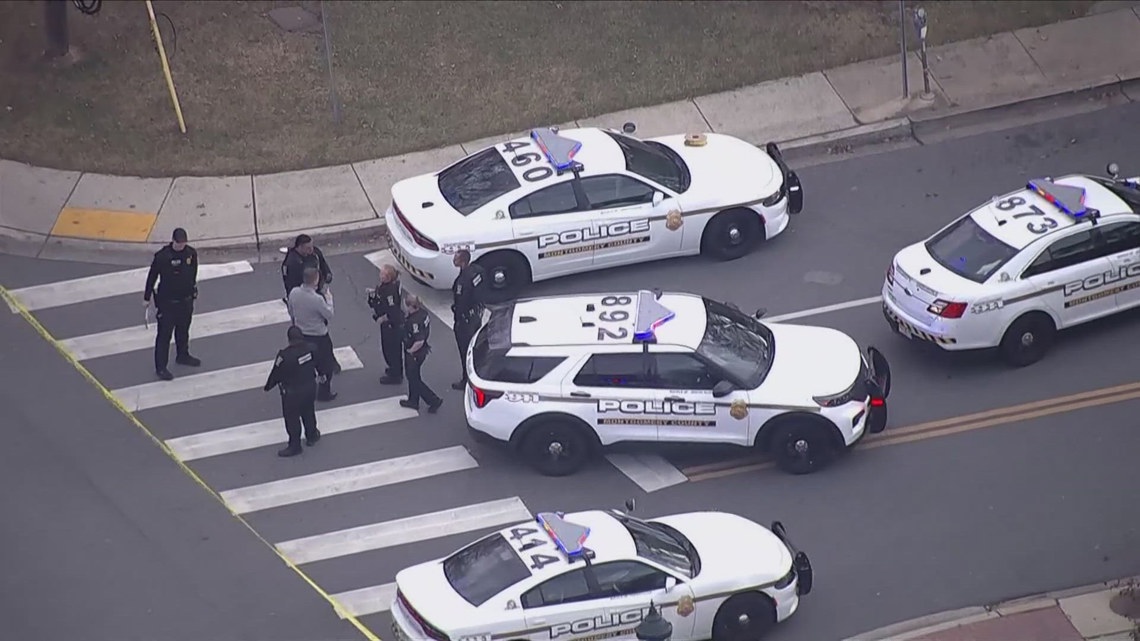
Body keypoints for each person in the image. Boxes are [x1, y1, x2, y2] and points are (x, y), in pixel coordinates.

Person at [143, 227, 201, 381]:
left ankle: (183, 355)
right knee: (164, 336)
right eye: (179, 243)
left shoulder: (191, 254)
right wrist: (147, 297)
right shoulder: (163, 257)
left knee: (183, 330)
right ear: (173, 241)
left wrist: (192, 289)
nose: (181, 246)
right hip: (167, 303)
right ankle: (161, 367)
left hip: (185, 300)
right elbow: (152, 276)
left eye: (183, 243)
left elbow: (193, 272)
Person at [263, 325, 321, 457]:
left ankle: (295, 445)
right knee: (308, 411)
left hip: (292, 393)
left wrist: (268, 386)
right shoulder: (311, 348)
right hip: (310, 387)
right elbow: (319, 363)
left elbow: (276, 373)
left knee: (292, 419)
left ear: (289, 339)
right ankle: (312, 435)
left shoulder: (284, 356)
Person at [287, 267, 340, 401]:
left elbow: (291, 311)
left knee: (306, 365)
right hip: (319, 336)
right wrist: (329, 299)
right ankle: (324, 392)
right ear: (315, 280)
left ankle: (304, 390)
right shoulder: (317, 299)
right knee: (325, 366)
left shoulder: (294, 293)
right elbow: (329, 315)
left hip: (302, 335)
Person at [450, 249, 487, 390]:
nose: (453, 259)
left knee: (465, 351)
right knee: (475, 346)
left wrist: (457, 314)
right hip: (476, 315)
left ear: (463, 261)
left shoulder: (463, 281)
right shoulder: (477, 271)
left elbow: (462, 302)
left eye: (456, 258)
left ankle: (467, 379)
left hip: (465, 320)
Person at [402, 294, 443, 413]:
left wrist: (410, 351)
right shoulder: (423, 313)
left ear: (410, 306)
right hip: (420, 351)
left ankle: (433, 400)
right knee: (414, 376)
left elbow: (419, 341)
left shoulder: (414, 322)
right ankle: (413, 400)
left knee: (413, 379)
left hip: (415, 353)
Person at [368, 263, 406, 385]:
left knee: (392, 350)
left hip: (392, 325)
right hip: (386, 325)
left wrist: (384, 318)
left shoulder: (390, 292)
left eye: (382, 274)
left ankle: (396, 374)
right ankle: (393, 368)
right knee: (386, 348)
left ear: (388, 277)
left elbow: (393, 310)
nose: (380, 275)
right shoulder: (383, 287)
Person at [281, 234, 332, 299]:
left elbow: (323, 264)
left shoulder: (315, 253)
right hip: (301, 294)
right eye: (308, 248)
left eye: (312, 246)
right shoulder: (291, 262)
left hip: (317, 290)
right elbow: (290, 284)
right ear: (300, 247)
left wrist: (327, 275)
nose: (311, 249)